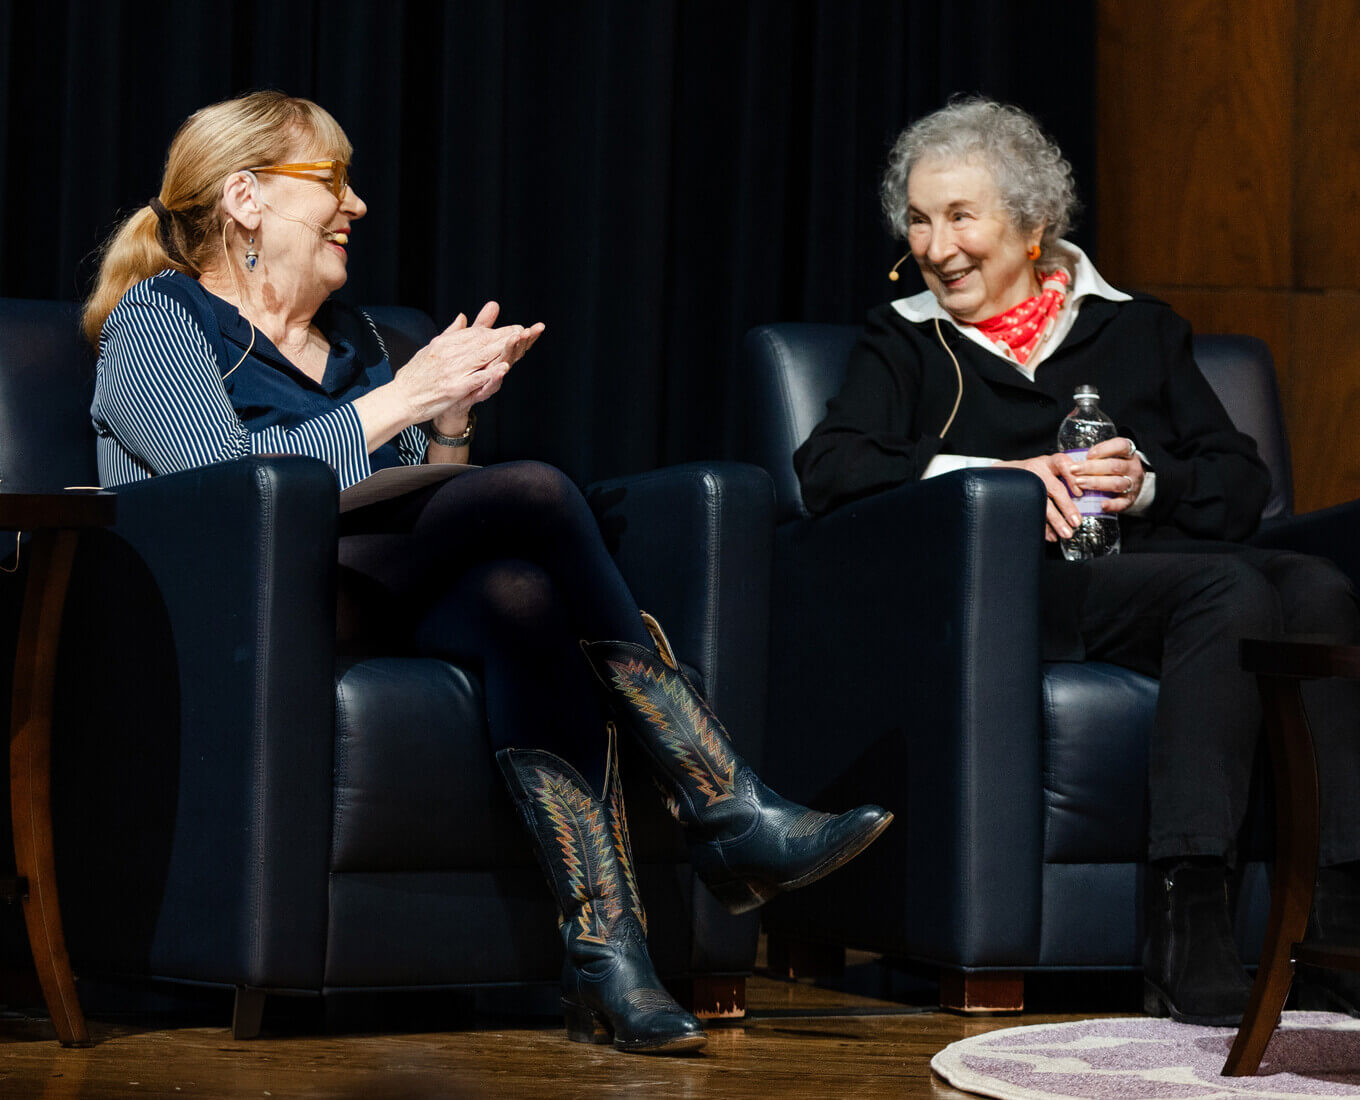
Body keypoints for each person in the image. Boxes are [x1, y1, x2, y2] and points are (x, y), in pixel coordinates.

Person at [84, 90, 892, 1055]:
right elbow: (222, 494)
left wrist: (448, 423)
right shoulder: (158, 318)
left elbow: (425, 508)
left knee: (522, 594)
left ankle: (609, 955)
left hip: (375, 594)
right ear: (246, 198)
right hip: (239, 620)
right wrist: (403, 403)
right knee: (543, 492)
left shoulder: (363, 343)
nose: (358, 205)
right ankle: (719, 798)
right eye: (332, 182)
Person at [795, 97, 1360, 1025]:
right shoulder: (903, 337)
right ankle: (1187, 930)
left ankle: (1337, 919)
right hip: (1022, 597)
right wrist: (1004, 475)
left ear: (1032, 226)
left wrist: (1142, 481)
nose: (937, 247)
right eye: (921, 218)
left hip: (1155, 573)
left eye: (961, 217)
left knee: (1320, 587)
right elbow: (832, 469)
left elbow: (1236, 479)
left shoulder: (1137, 329)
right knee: (1230, 589)